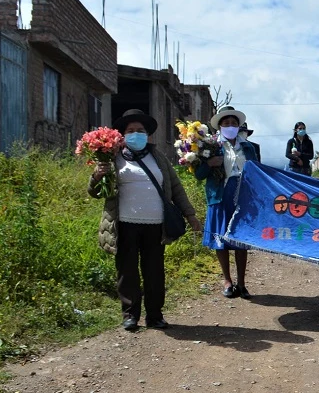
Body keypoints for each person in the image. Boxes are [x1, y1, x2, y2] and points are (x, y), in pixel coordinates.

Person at [89, 109, 201, 331]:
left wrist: (190, 215)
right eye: (130, 131)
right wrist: (97, 176)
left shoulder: (158, 158)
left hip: (155, 225)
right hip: (124, 224)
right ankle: (130, 315)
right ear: (122, 135)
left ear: (148, 135)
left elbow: (176, 189)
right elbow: (95, 192)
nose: (136, 134)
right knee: (127, 271)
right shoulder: (111, 158)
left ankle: (155, 315)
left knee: (154, 271)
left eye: (140, 131)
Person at [195, 107, 262, 299]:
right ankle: (227, 281)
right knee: (221, 240)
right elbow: (199, 175)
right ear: (219, 126)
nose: (230, 127)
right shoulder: (210, 146)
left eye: (234, 123)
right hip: (219, 196)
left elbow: (258, 173)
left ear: (239, 126)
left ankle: (241, 283)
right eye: (226, 123)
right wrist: (209, 164)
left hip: (242, 197)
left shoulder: (249, 147)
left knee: (241, 240)